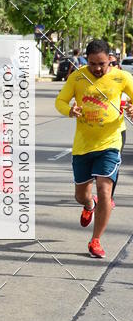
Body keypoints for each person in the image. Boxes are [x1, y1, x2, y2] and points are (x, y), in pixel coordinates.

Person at [55, 38, 133, 258]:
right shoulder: (77, 77)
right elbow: (60, 101)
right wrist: (70, 110)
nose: (98, 68)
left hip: (110, 142)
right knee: (81, 195)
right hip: (83, 145)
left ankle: (95, 240)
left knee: (105, 190)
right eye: (93, 64)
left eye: (102, 63)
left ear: (110, 59)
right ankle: (89, 205)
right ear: (86, 61)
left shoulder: (121, 77)